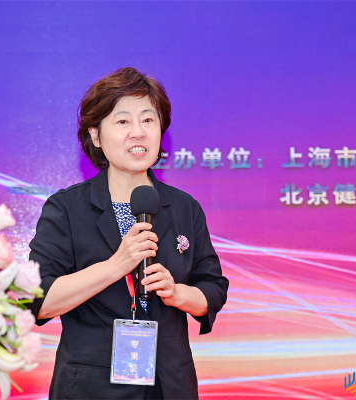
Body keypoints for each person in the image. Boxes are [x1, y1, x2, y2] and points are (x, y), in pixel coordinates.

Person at [28, 67, 229, 400]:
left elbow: (213, 288)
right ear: (95, 135)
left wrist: (178, 294)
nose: (138, 132)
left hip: (169, 384)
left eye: (148, 120)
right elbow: (38, 299)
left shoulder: (184, 208)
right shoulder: (67, 208)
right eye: (123, 121)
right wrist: (115, 265)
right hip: (91, 388)